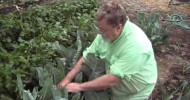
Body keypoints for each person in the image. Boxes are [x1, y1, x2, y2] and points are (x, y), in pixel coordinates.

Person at [57, 0, 158, 100]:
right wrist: (67, 79)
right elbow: (87, 56)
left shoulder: (136, 46)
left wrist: (79, 87)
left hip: (135, 93)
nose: (100, 33)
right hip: (116, 89)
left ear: (118, 27)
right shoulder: (106, 34)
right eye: (99, 28)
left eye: (103, 30)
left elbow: (112, 80)